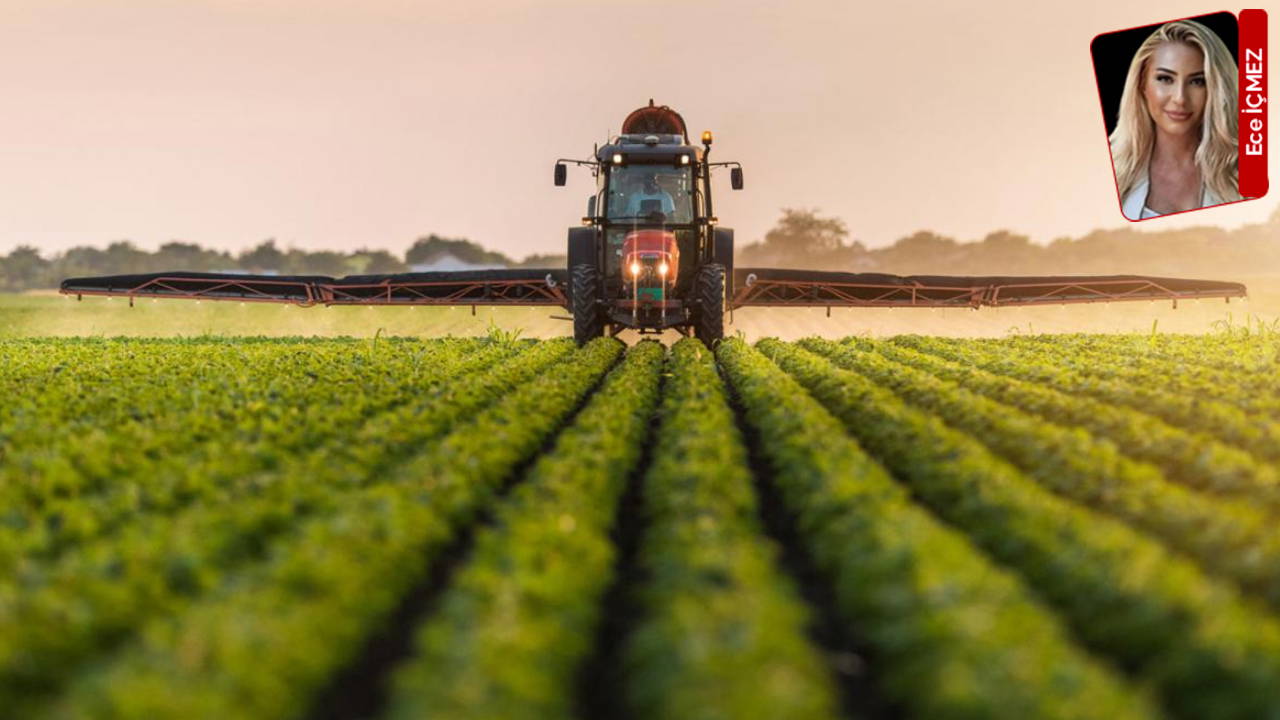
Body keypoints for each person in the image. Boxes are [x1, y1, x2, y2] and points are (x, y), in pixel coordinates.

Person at [1108, 20, 1240, 220]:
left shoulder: (1251, 171)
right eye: (1165, 79)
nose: (1180, 98)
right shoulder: (1107, 168)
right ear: (1142, 84)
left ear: (1216, 88)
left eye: (1197, 81)